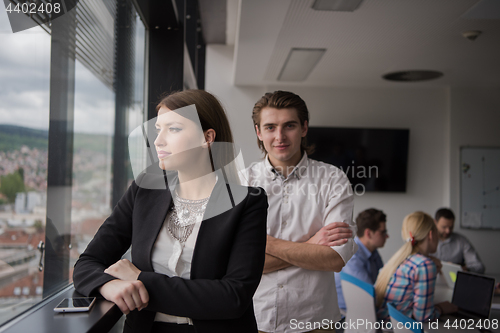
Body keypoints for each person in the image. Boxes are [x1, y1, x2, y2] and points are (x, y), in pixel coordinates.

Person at [73, 89, 269, 333]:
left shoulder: (248, 203)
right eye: (158, 130)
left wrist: (140, 280)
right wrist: (107, 286)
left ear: (207, 137)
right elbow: (88, 262)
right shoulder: (144, 190)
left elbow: (233, 297)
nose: (158, 141)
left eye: (173, 129)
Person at [244, 91, 357, 333]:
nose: (280, 136)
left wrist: (263, 244)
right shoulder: (241, 182)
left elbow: (335, 259)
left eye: (289, 125)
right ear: (258, 132)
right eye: (270, 127)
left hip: (314, 322)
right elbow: (234, 265)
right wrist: (311, 244)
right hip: (253, 319)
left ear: (304, 128)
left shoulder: (333, 180)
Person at [375, 211, 458, 322]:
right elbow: (424, 317)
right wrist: (442, 308)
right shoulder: (424, 265)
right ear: (430, 234)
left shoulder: (399, 259)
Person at [335, 208, 388, 311]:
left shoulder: (373, 252)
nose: (387, 236)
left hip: (365, 312)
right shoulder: (351, 256)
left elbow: (383, 284)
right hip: (346, 318)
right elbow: (370, 294)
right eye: (383, 232)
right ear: (368, 233)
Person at [431, 208, 485, 273]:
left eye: (451, 227)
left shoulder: (461, 241)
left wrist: (462, 268)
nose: (448, 231)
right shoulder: (427, 240)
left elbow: (479, 266)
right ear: (435, 222)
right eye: (444, 227)